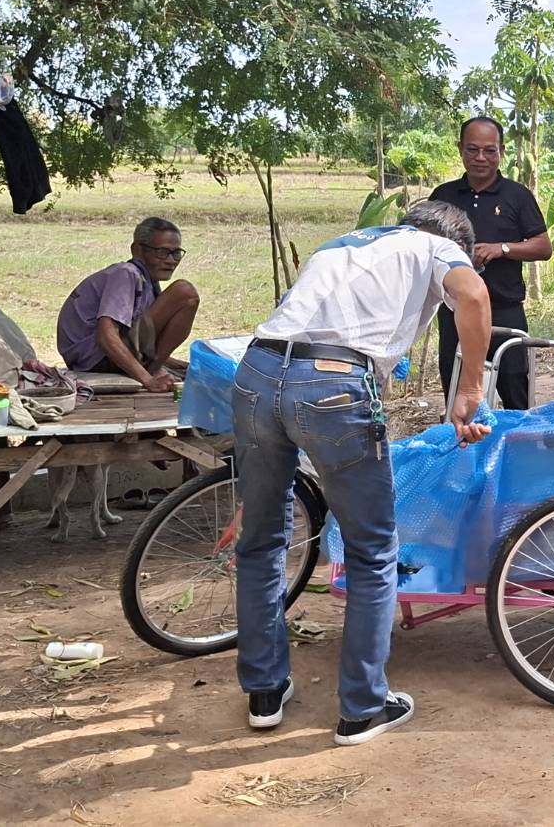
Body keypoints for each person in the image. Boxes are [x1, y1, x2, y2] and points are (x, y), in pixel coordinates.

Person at [234, 200, 492, 746]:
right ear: (458, 244)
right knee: (372, 548)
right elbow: (472, 294)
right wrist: (470, 388)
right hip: (331, 381)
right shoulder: (436, 246)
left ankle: (264, 691)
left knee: (261, 539)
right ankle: (362, 707)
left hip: (256, 371)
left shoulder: (345, 244)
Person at [430, 116, 553, 409]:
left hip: (505, 309)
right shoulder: (443, 196)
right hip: (455, 311)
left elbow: (543, 246)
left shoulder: (517, 195)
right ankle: (463, 438)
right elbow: (423, 247)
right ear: (460, 149)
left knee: (515, 391)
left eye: (489, 150)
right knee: (457, 394)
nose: (480, 158)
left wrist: (503, 249)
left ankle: (519, 438)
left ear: (502, 151)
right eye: (472, 150)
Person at [55, 216, 200, 392]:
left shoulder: (148, 282)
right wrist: (148, 380)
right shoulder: (126, 273)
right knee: (185, 292)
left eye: (176, 253)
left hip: (97, 357)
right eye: (162, 252)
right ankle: (152, 370)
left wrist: (179, 364)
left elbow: (139, 336)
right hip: (95, 359)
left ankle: (155, 367)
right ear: (137, 250)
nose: (171, 260)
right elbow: (106, 336)